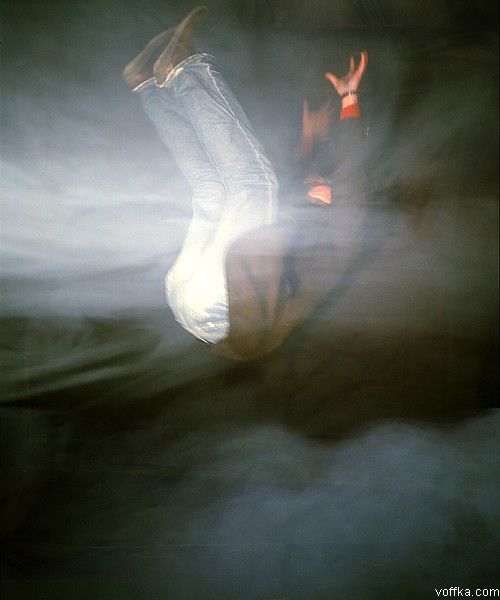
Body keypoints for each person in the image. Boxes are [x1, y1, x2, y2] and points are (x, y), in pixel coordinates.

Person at [123, 6, 369, 360]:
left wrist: (349, 99)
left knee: (255, 184)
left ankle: (186, 68)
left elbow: (352, 178)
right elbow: (290, 193)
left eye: (324, 191)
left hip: (226, 307)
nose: (317, 189)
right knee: (212, 190)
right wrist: (308, 141)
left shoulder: (344, 237)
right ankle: (147, 86)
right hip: (193, 302)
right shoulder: (296, 230)